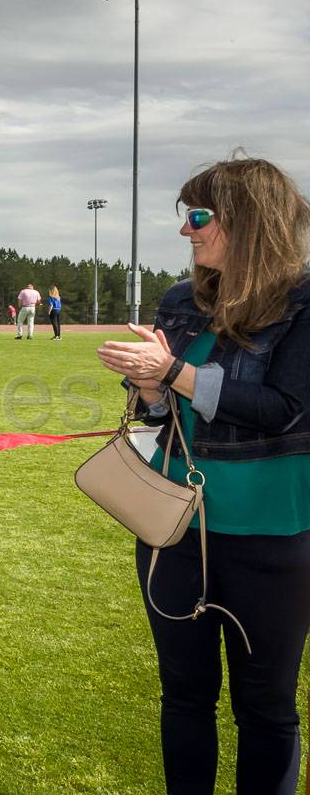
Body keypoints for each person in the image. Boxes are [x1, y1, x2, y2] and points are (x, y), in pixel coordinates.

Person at [96, 156, 310, 794]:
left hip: (272, 537)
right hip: (174, 530)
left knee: (266, 710)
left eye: (199, 217)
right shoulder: (179, 299)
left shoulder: (303, 301)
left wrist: (173, 374)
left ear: (250, 221)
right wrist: (151, 390)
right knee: (184, 696)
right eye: (184, 217)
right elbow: (163, 417)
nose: (187, 232)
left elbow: (281, 410)